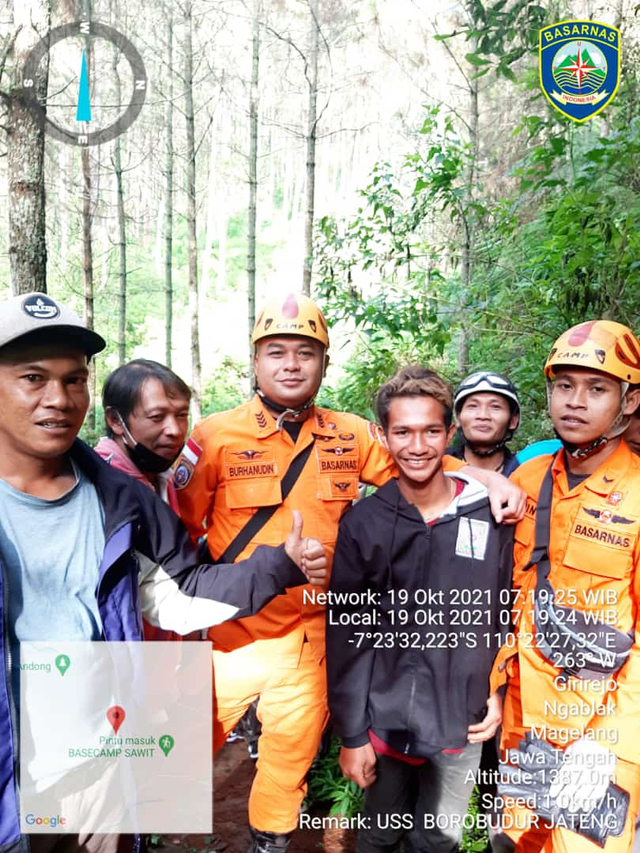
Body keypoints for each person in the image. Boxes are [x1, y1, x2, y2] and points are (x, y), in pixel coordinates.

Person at [174, 293, 526, 853]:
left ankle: (270, 843)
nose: (291, 364)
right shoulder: (214, 436)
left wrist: (491, 481)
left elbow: (419, 458)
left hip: (315, 640)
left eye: (305, 352)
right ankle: (130, 835)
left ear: (324, 364)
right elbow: (178, 534)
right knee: (172, 746)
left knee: (287, 763)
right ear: (256, 362)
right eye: (275, 351)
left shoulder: (352, 434)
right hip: (234, 636)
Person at [0, 291, 327, 853]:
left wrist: (279, 565)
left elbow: (180, 593)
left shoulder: (120, 500)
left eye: (74, 379)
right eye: (33, 378)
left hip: (92, 764)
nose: (58, 398)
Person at [327, 366, 513, 853]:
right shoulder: (364, 524)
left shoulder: (489, 516)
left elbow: (500, 611)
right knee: (379, 835)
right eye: (402, 432)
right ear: (382, 436)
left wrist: (498, 689)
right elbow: (349, 634)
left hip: (462, 718)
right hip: (384, 718)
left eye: (431, 431)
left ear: (449, 434)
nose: (418, 446)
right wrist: (351, 734)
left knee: (439, 838)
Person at [491, 319, 640, 852]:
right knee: (515, 843)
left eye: (596, 388)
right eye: (563, 386)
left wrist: (610, 739)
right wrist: (491, 684)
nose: (575, 401)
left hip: (601, 724)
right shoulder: (526, 481)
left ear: (628, 402)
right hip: (524, 715)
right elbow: (505, 597)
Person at [95, 358, 191, 511]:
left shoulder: (163, 478)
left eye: (181, 415)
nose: (175, 431)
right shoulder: (98, 485)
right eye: (157, 417)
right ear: (115, 420)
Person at [448, 371, 521, 475]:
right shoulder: (436, 466)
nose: (483, 416)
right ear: (458, 418)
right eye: (472, 406)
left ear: (513, 421)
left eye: (495, 407)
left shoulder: (526, 473)